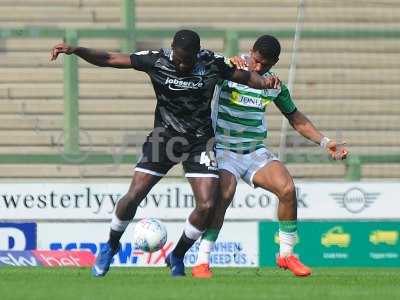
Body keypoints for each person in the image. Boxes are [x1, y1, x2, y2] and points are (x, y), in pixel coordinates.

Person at [50, 29, 280, 277]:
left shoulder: (210, 63)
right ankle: (111, 245)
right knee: (134, 195)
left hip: (200, 142)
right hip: (165, 138)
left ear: (196, 53)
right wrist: (77, 50)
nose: (182, 64)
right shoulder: (156, 60)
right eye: (178, 58)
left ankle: (178, 255)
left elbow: (244, 77)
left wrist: (265, 82)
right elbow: (110, 59)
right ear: (172, 48)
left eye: (187, 60)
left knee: (207, 204)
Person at [191, 35, 348, 278]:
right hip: (223, 149)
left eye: (266, 64)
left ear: (275, 61)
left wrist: (325, 142)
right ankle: (202, 260)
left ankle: (286, 255)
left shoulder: (274, 85)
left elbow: (295, 118)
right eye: (256, 61)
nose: (259, 67)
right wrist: (227, 62)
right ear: (251, 52)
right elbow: (200, 58)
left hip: (254, 150)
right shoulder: (231, 69)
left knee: (287, 189)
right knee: (224, 194)